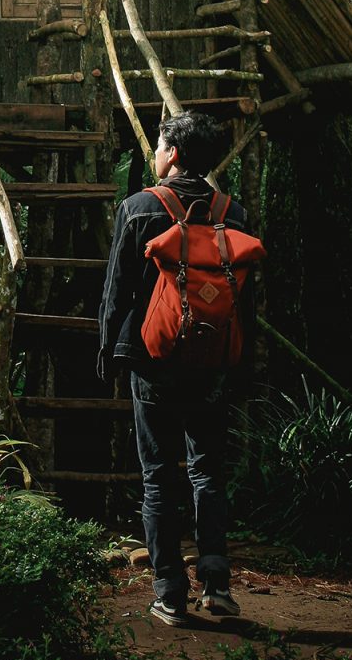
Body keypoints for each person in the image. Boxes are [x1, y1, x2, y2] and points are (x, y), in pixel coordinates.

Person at [98, 111, 254, 628]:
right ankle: (218, 586)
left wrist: (108, 349)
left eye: (161, 144)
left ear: (175, 154)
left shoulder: (140, 207)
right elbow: (243, 303)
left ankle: (169, 592)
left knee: (158, 476)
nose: (156, 153)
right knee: (208, 470)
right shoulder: (235, 215)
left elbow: (117, 291)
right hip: (212, 365)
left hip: (154, 363)